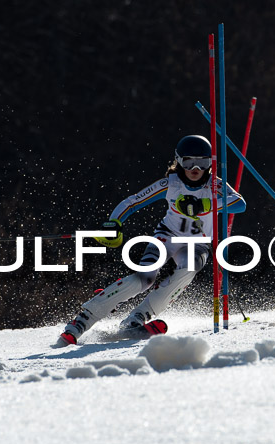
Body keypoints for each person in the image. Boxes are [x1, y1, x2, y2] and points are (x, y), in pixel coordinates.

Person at [57, 135, 246, 346]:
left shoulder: (215, 185)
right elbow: (132, 202)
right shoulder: (170, 184)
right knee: (144, 278)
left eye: (202, 162)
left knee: (189, 269)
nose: (195, 168)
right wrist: (115, 222)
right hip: (166, 236)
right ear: (178, 161)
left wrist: (208, 205)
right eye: (188, 161)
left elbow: (239, 202)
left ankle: (137, 317)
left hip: (197, 243)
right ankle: (83, 319)